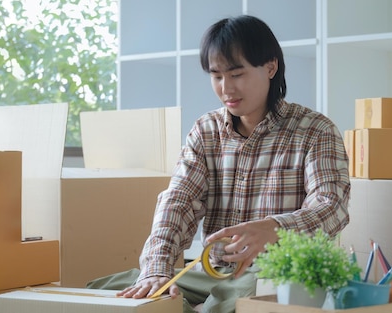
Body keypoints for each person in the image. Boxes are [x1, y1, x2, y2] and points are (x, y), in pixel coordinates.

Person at [87, 15, 351, 313]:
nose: (226, 88)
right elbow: (178, 201)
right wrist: (156, 269)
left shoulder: (315, 130)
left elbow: (332, 207)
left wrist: (276, 229)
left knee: (238, 295)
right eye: (216, 76)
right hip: (211, 274)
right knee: (108, 291)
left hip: (272, 275)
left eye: (237, 74)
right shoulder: (206, 130)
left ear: (270, 66)